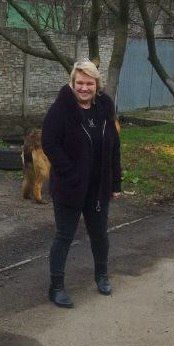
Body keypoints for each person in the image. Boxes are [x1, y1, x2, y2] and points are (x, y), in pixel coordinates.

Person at [42, 60, 122, 308]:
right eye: (80, 83)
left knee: (99, 234)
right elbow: (50, 144)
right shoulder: (60, 109)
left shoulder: (105, 107)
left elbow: (114, 146)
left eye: (89, 83)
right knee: (64, 236)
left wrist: (115, 182)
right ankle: (56, 287)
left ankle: (102, 276)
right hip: (70, 186)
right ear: (72, 83)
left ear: (96, 85)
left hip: (98, 186)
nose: (84, 88)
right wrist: (70, 173)